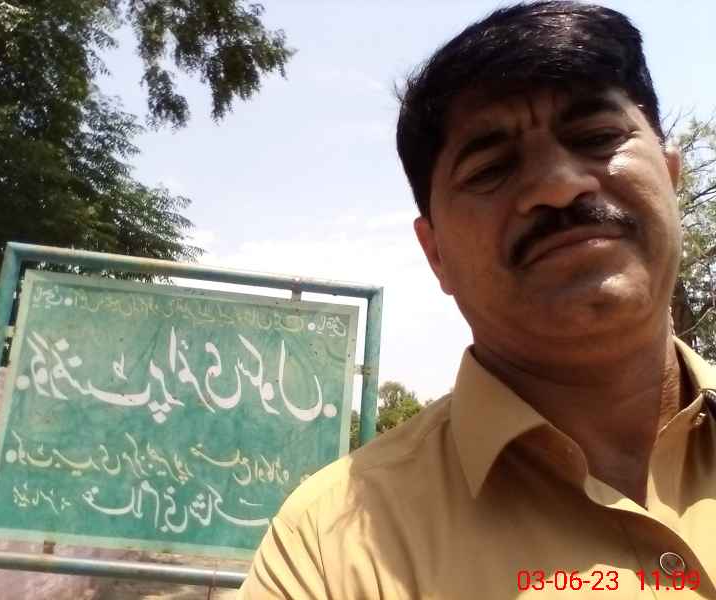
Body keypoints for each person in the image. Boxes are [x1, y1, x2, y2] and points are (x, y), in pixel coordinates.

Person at [239, 2, 716, 597]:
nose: (557, 186)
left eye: (597, 137)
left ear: (670, 177)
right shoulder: (329, 550)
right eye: (491, 168)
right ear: (435, 252)